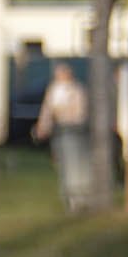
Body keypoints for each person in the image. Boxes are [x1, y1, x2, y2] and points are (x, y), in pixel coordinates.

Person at [33, 61, 98, 212]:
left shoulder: (77, 90)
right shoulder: (54, 91)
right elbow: (47, 112)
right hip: (60, 133)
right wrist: (42, 128)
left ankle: (82, 198)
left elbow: (81, 112)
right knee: (64, 166)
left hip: (74, 132)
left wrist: (66, 114)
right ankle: (70, 198)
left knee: (77, 166)